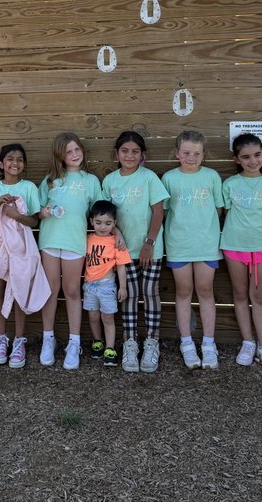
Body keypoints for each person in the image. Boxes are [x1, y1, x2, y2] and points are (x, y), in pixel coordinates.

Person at [101, 131, 169, 373]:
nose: (130, 155)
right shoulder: (110, 181)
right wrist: (116, 231)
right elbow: (106, 216)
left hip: (149, 249)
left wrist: (149, 242)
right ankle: (130, 343)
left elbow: (159, 212)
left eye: (135, 151)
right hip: (122, 251)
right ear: (116, 154)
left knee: (150, 293)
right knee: (128, 295)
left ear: (143, 156)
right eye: (125, 151)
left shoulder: (149, 178)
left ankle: (152, 342)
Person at [37, 132, 104, 370]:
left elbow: (100, 212)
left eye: (77, 149)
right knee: (50, 291)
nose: (74, 155)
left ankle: (74, 342)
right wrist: (44, 212)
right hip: (50, 242)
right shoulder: (50, 181)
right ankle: (48, 339)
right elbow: (37, 212)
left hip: (76, 243)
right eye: (68, 152)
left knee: (73, 290)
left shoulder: (91, 181)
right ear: (60, 156)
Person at [221, 133, 262, 372]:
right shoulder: (229, 185)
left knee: (258, 297)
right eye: (246, 157)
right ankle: (248, 342)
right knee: (239, 295)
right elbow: (226, 214)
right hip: (233, 246)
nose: (252, 161)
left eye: (257, 155)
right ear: (237, 159)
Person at [161, 130, 224, 370]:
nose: (191, 157)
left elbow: (218, 209)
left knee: (206, 290)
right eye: (186, 152)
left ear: (203, 155)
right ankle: (186, 342)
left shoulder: (211, 177)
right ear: (177, 153)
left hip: (206, 245)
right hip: (179, 245)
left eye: (196, 153)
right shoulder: (169, 178)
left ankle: (208, 343)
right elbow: (166, 211)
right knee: (184, 291)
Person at [0, 143, 40, 369]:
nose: (15, 163)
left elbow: (34, 221)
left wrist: (16, 215)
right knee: (1, 290)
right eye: (10, 159)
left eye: (20, 159)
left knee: (20, 291)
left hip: (22, 249)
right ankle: (2, 337)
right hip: (1, 248)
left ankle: (19, 340)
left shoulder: (30, 187)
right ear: (1, 164)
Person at [82, 201, 131, 367]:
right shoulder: (87, 239)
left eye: (108, 223)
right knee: (93, 316)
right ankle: (98, 341)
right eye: (98, 222)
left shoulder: (117, 243)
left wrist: (123, 287)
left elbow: (121, 267)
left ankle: (110, 348)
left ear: (115, 224)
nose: (103, 227)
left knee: (107, 317)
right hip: (89, 285)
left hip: (107, 285)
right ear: (91, 221)